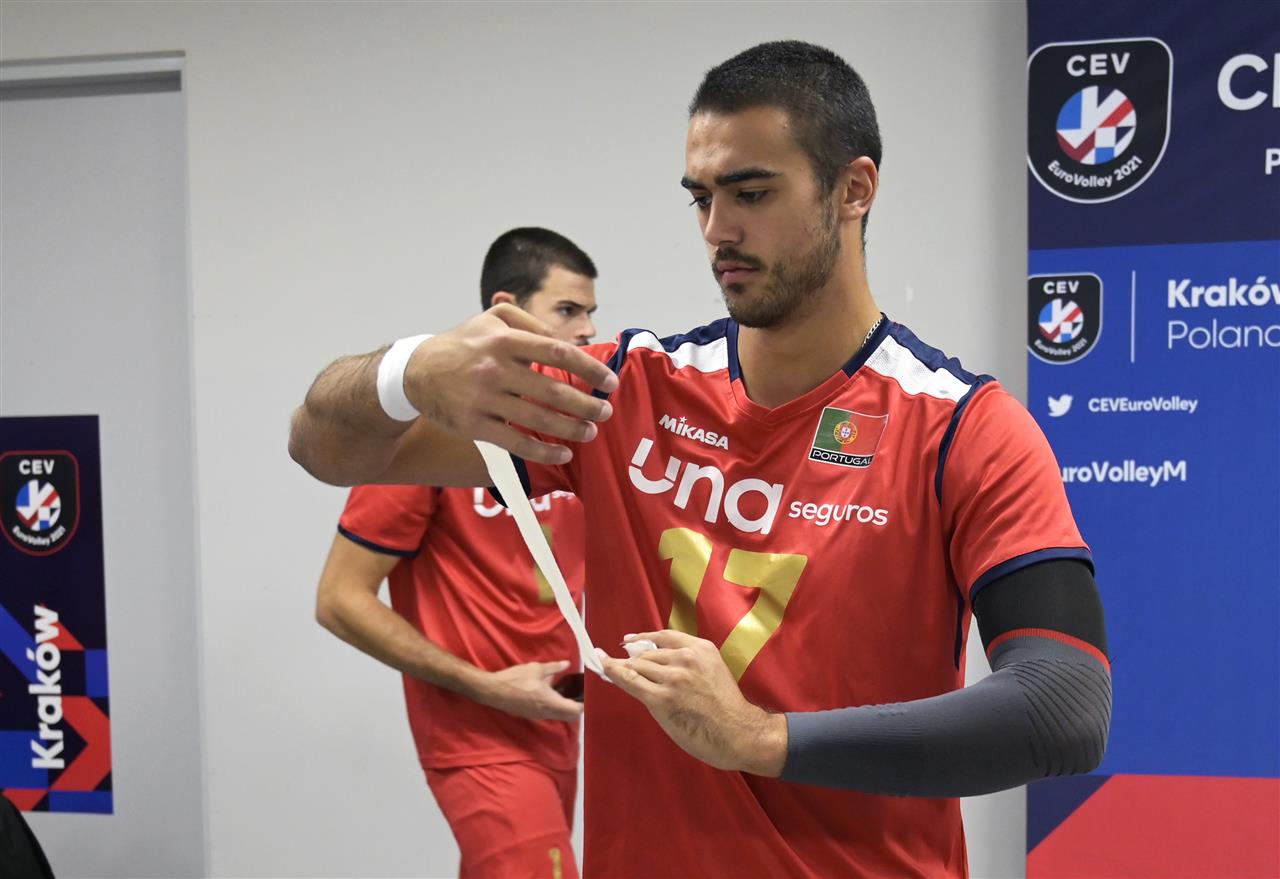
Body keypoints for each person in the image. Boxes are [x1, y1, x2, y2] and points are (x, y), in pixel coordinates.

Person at [291, 42, 1111, 878]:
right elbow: (322, 446)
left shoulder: (964, 428)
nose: (718, 230)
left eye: (751, 193)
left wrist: (761, 737)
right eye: (701, 197)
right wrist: (406, 371)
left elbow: (1066, 706)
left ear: (854, 190)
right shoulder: (622, 391)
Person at [313, 228, 599, 879]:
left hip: (559, 723)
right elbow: (338, 599)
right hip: (477, 735)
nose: (587, 330)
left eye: (590, 312)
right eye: (567, 310)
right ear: (508, 311)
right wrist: (486, 686)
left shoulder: (571, 435)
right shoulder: (429, 442)